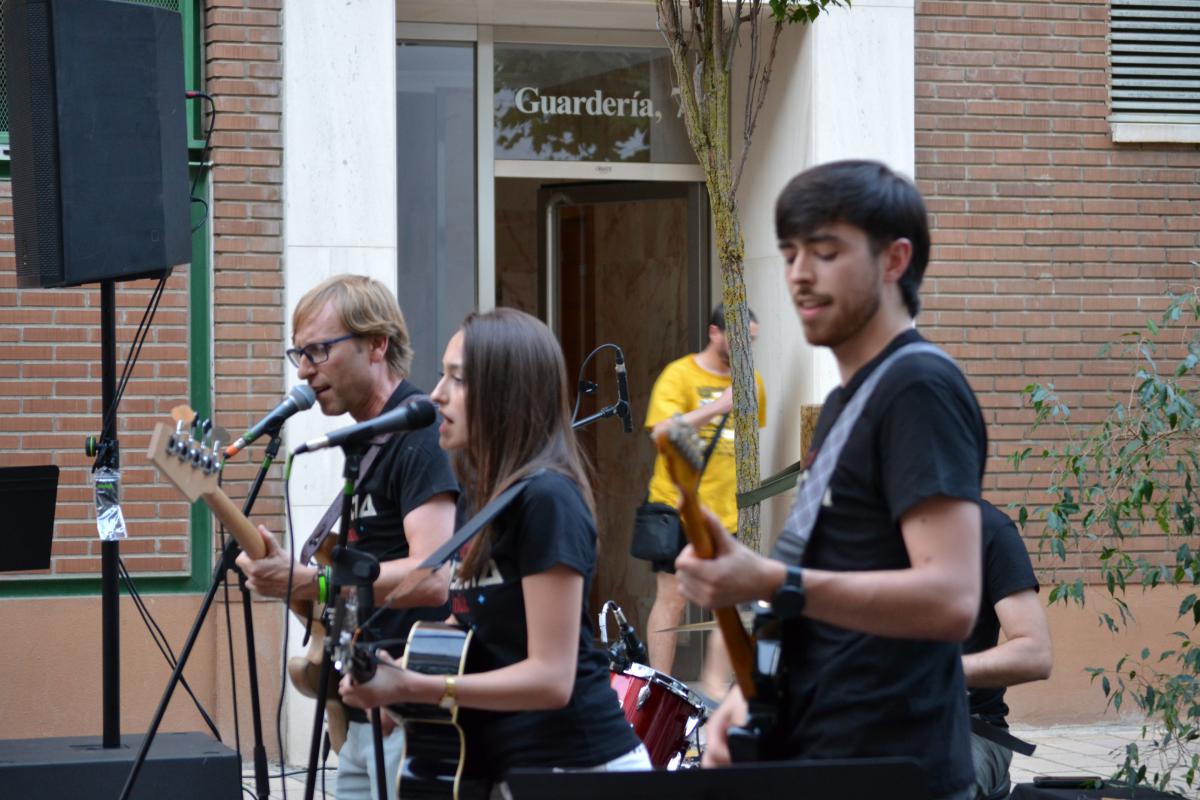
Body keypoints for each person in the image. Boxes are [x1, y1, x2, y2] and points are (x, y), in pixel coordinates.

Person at [674, 160, 985, 800]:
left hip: (889, 768)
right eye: (790, 252)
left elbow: (951, 601)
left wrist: (768, 580)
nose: (798, 273)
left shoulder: (919, 388)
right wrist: (749, 694)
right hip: (827, 752)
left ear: (894, 260)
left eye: (825, 251)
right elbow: (831, 575)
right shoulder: (850, 400)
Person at [339, 308, 650, 795]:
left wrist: (415, 687)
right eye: (442, 375)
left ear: (507, 394)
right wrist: (396, 679)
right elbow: (474, 628)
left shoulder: (548, 499)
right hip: (513, 770)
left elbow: (552, 679)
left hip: (581, 768)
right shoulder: (484, 498)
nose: (436, 393)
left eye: (458, 379)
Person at [237, 274, 458, 800]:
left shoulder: (419, 437)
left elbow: (432, 576)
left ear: (377, 344)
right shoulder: (369, 441)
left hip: (409, 712)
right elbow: (365, 570)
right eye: (299, 354)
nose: (304, 370)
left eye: (319, 350)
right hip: (365, 704)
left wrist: (311, 581)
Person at [642, 303, 767, 699]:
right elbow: (660, 433)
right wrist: (716, 407)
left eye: (751, 341)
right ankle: (659, 691)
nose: (745, 347)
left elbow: (747, 445)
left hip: (727, 512)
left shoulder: (753, 382)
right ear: (715, 333)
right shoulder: (679, 374)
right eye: (740, 338)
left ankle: (713, 692)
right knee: (673, 598)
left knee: (728, 604)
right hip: (678, 506)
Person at [964, 500, 1053, 799]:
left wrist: (933, 672)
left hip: (969, 727)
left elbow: (1035, 653)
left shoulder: (988, 527)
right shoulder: (850, 527)